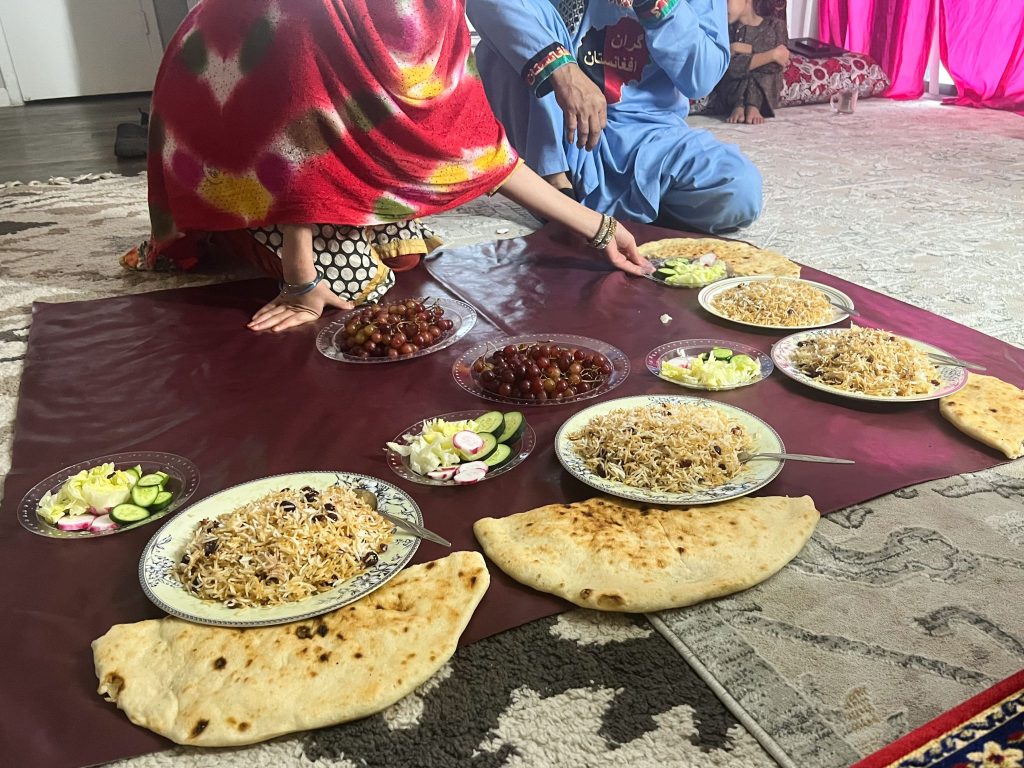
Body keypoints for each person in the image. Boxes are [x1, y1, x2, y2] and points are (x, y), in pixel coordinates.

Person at [124, 0, 652, 333]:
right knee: (353, 287)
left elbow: (468, 144)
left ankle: (329, 222)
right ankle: (230, 236)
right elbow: (289, 140)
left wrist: (597, 227)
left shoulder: (438, 11)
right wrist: (300, 279)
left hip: (320, 139)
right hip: (243, 154)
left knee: (399, 253)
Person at [466, 0, 763, 235]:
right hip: (561, 130)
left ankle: (604, 215)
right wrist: (564, 72)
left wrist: (653, 3)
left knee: (739, 189)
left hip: (651, 137)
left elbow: (701, 78)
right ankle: (558, 195)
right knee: (504, 36)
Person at [714, 0, 789, 124]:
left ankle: (753, 105)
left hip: (765, 85)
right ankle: (738, 104)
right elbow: (729, 67)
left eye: (726, 1)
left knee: (766, 70)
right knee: (730, 69)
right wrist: (771, 54)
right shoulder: (726, 30)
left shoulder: (775, 25)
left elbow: (777, 64)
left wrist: (740, 47)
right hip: (732, 91)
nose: (722, 8)